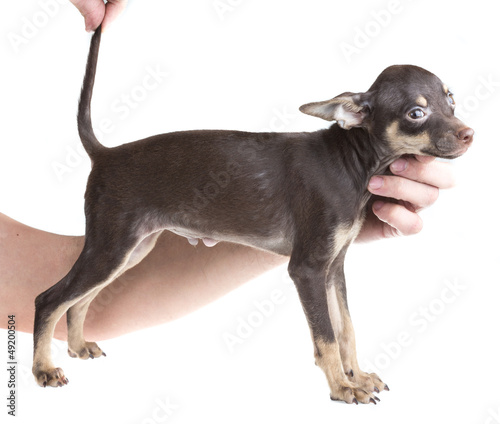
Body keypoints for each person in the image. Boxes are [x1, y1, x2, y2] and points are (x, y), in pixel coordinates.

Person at [0, 2, 456, 341]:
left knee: (103, 265)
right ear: (352, 114)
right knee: (99, 267)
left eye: (447, 103)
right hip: (129, 174)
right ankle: (44, 355)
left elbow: (72, 288)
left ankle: (70, 337)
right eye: (418, 114)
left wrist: (315, 227)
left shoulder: (337, 170)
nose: (453, 121)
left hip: (144, 177)